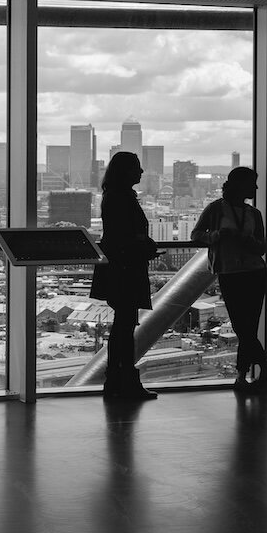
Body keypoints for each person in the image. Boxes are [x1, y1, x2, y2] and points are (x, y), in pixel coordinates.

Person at [191, 167, 267, 392]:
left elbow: (261, 247)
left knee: (246, 327)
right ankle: (262, 367)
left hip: (250, 273)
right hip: (235, 273)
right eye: (252, 184)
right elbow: (196, 235)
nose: (256, 188)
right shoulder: (216, 209)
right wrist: (217, 236)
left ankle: (241, 376)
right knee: (243, 327)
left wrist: (242, 239)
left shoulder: (253, 213)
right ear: (240, 186)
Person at [90, 151, 160, 400]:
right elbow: (126, 236)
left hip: (119, 267)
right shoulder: (123, 198)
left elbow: (117, 235)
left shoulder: (113, 197)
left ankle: (117, 381)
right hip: (126, 269)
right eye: (137, 168)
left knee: (122, 326)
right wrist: (145, 246)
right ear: (126, 172)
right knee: (125, 326)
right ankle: (124, 381)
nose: (141, 172)